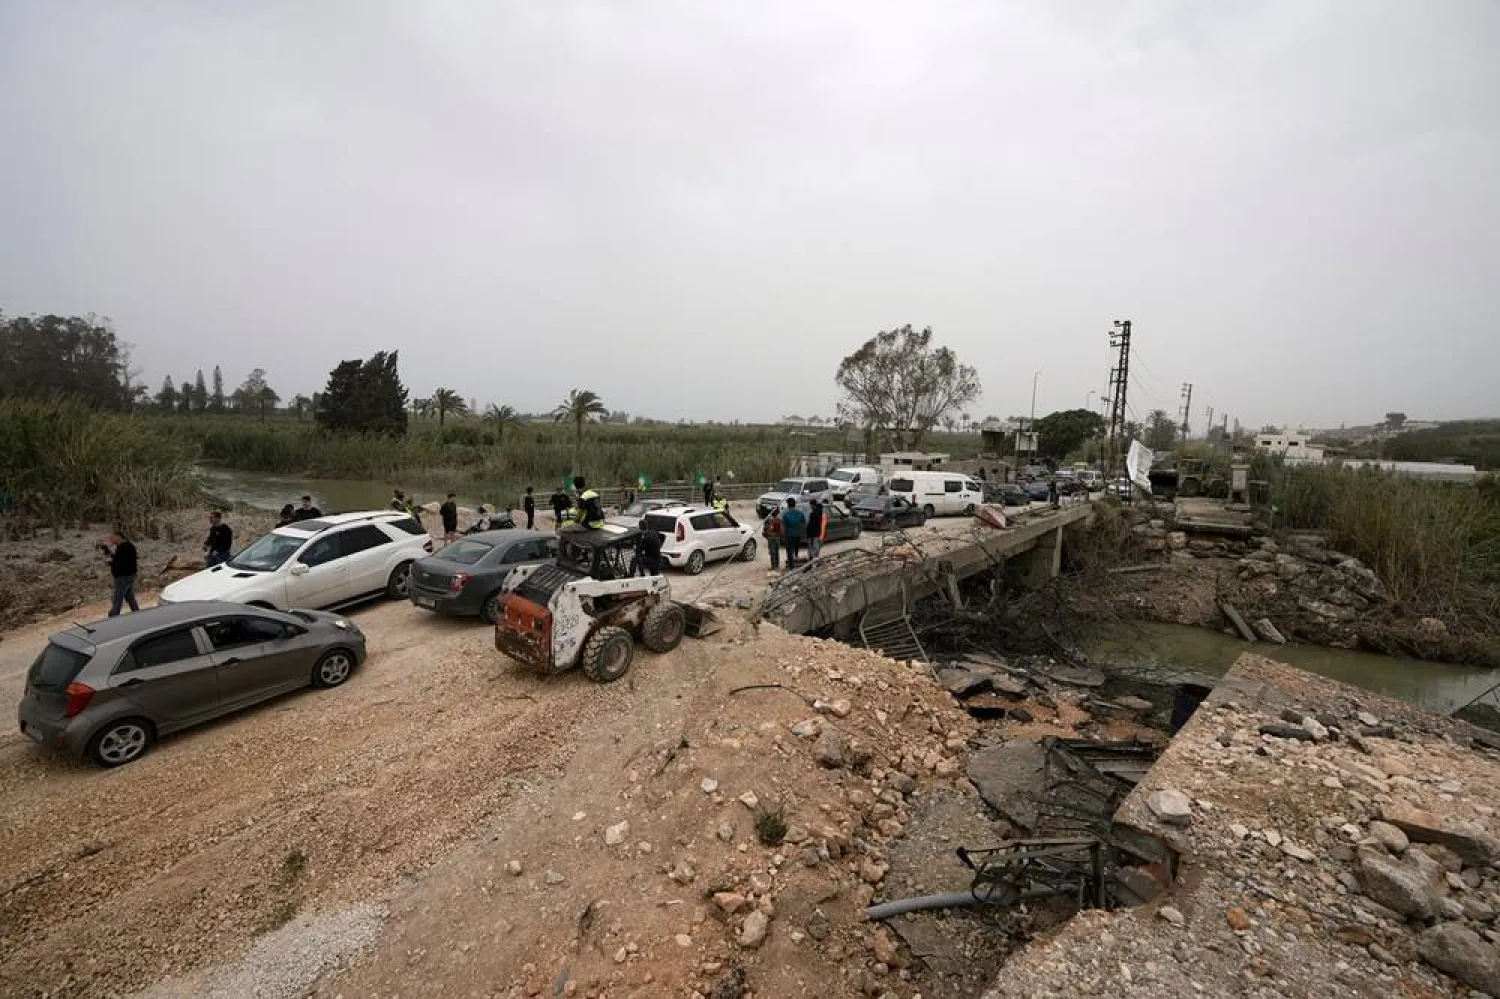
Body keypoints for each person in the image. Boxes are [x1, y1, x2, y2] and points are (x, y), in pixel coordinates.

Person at [103, 530, 139, 617]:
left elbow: (123, 563)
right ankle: (137, 613)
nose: (111, 540)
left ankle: (114, 617)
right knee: (129, 597)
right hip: (128, 576)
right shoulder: (123, 547)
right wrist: (107, 551)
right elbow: (117, 558)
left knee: (117, 599)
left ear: (118, 537)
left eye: (112, 537)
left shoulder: (126, 547)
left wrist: (111, 563)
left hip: (123, 577)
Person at [780, 497, 807, 570]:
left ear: (788, 505)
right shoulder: (800, 513)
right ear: (795, 504)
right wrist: (801, 532)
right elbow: (804, 525)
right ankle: (796, 559)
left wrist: (782, 536)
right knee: (796, 550)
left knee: (789, 552)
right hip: (798, 535)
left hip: (789, 536)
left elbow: (782, 528)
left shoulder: (786, 515)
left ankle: (791, 567)